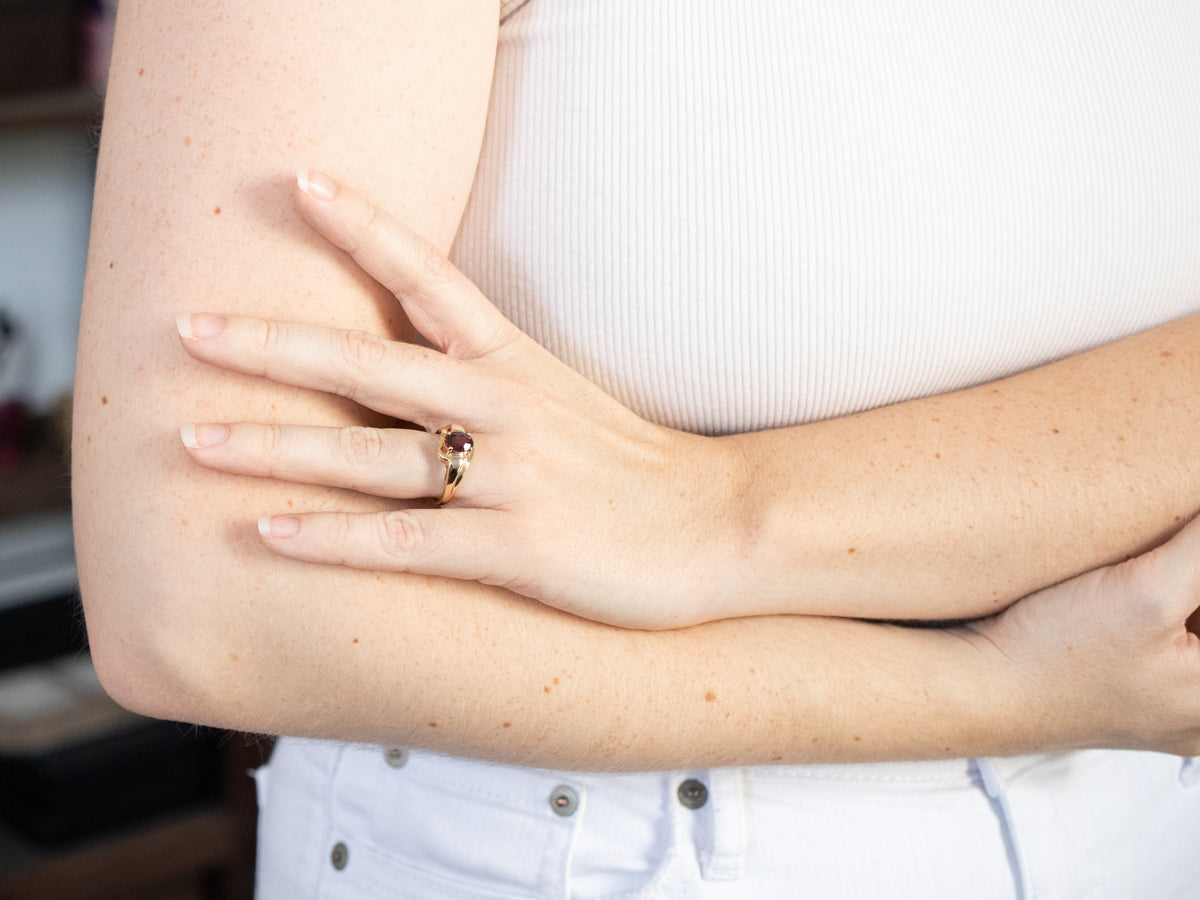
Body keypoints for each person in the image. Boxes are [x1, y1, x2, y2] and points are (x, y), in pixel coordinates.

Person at [74, 1, 1200, 896]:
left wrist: (721, 513)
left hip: (1144, 814)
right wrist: (997, 686)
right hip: (596, 849)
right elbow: (198, 606)